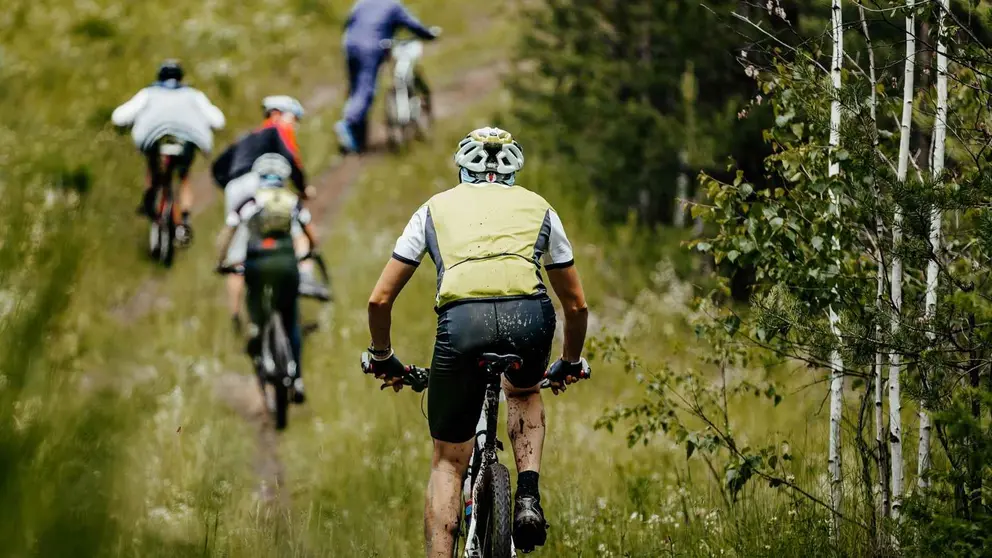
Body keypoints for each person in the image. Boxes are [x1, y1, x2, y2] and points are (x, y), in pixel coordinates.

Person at [363, 127, 591, 557]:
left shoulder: (433, 209)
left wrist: (382, 355)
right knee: (523, 392)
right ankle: (527, 496)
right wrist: (571, 360)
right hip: (529, 318)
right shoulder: (540, 208)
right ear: (513, 171)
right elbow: (576, 305)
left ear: (462, 168)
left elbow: (379, 300)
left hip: (463, 325)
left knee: (449, 461)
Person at [216, 154, 319, 403]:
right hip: (286, 263)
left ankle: (256, 331)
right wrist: (310, 252)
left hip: (257, 263)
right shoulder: (291, 200)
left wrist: (221, 260)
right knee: (291, 318)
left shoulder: (250, 201)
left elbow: (229, 230)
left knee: (255, 303)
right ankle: (297, 378)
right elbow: (310, 233)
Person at [212, 96, 320, 332]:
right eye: (294, 118)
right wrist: (303, 187)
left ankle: (237, 319)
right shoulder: (277, 130)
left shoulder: (247, 137)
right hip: (259, 183)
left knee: (238, 255)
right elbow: (291, 160)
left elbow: (218, 167)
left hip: (234, 186)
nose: (294, 124)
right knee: (291, 236)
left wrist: (231, 186)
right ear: (277, 114)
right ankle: (304, 280)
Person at [112, 60, 226, 243]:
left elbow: (120, 117)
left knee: (153, 167)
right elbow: (218, 121)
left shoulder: (149, 93)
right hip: (185, 142)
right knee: (184, 177)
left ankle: (150, 199)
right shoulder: (193, 95)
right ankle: (184, 221)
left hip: (156, 140)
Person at [335, 0, 440, 153]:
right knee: (366, 89)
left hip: (350, 44)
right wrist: (429, 34)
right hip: (371, 47)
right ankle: (348, 124)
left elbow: (347, 23)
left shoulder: (362, 3)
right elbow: (413, 25)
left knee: (355, 88)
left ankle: (358, 140)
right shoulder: (393, 6)